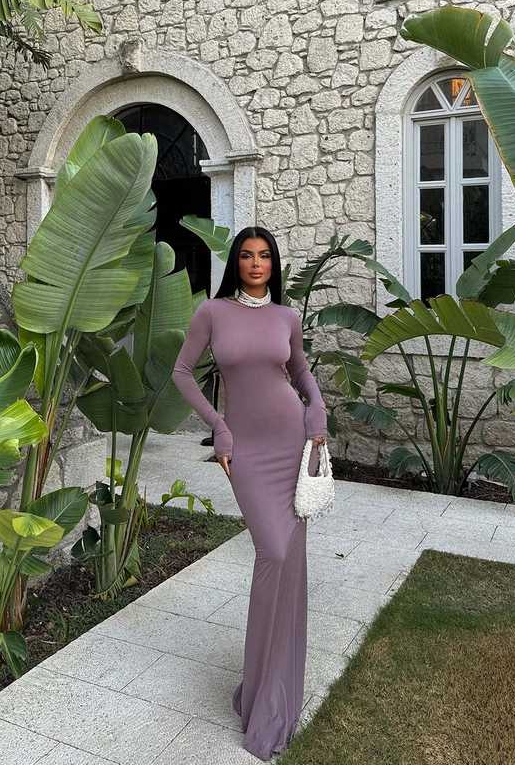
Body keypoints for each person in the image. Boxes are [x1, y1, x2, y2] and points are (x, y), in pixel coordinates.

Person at [171, 226, 328, 761]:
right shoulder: (212, 313)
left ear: (273, 263)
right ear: (235, 262)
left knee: (289, 561)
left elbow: (299, 371)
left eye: (264, 256)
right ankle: (260, 688)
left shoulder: (287, 317)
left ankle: (272, 693)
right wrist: (218, 426)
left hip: (293, 439)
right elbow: (182, 372)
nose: (256, 263)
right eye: (246, 255)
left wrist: (317, 410)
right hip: (246, 450)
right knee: (273, 553)